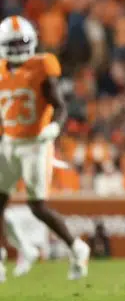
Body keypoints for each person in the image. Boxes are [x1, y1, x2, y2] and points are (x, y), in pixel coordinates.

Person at [0, 16, 90, 283]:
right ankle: (9, 254)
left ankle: (77, 247)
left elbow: (60, 105)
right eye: (13, 44)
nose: (18, 49)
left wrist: (53, 128)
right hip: (9, 142)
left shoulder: (42, 66)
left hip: (36, 144)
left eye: (22, 43)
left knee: (37, 206)